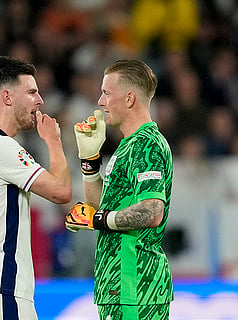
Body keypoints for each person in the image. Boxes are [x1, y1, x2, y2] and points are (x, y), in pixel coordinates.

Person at [0, 55, 72, 320]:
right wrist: (53, 141)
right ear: (7, 97)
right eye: (31, 92)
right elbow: (62, 192)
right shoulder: (2, 147)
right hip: (0, 284)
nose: (39, 101)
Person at [65, 59, 174, 320]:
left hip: (135, 284)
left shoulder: (146, 145)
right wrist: (90, 163)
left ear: (129, 99)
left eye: (106, 93)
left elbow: (152, 211)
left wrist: (99, 220)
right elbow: (100, 206)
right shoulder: (128, 145)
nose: (100, 102)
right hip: (118, 285)